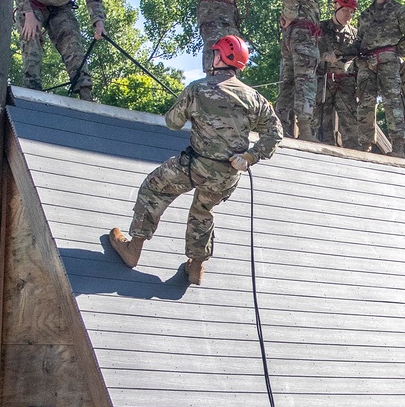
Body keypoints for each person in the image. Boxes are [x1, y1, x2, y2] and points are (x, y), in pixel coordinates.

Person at [109, 35, 281, 285]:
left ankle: (133, 248)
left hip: (195, 166)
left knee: (153, 188)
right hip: (228, 175)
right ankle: (196, 266)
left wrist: (189, 110)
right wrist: (250, 157)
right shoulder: (254, 98)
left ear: (220, 57)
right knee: (203, 210)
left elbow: (172, 122)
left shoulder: (197, 89)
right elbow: (275, 133)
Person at [354, 0, 405, 156]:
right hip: (366, 61)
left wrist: (395, 51)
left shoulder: (399, 11)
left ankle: (398, 146)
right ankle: (364, 144)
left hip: (388, 61)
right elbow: (359, 40)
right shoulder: (366, 14)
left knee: (392, 102)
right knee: (365, 102)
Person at [275, 0, 335, 139]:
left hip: (292, 37)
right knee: (306, 81)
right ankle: (305, 130)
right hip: (303, 37)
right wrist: (290, 16)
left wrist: (289, 19)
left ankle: (280, 126)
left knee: (289, 82)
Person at [313, 0, 359, 146]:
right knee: (320, 125)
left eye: (352, 12)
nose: (349, 15)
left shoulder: (355, 34)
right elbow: (307, 53)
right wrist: (324, 57)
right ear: (336, 6)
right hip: (323, 82)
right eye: (345, 10)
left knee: (351, 127)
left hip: (346, 84)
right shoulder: (320, 29)